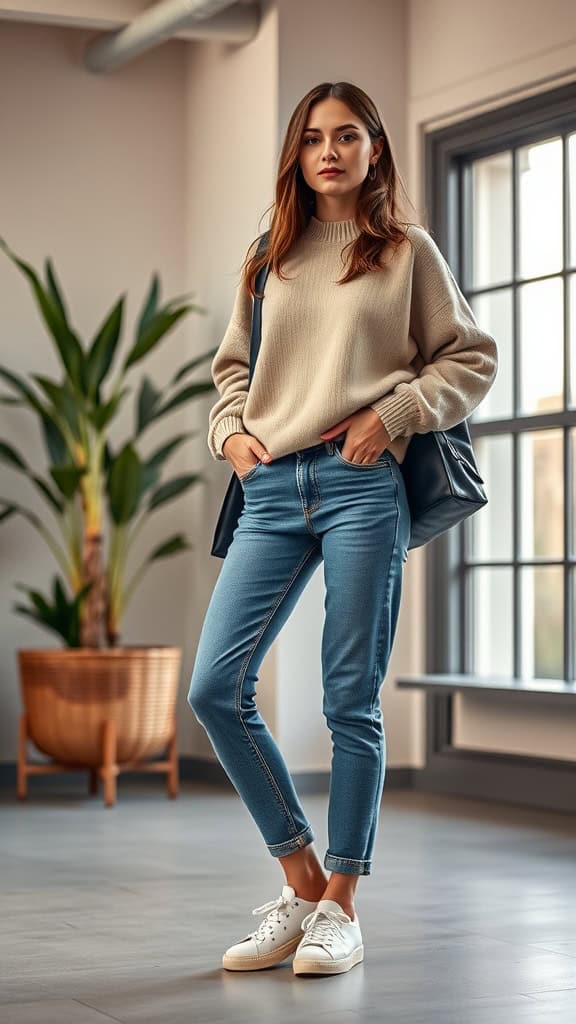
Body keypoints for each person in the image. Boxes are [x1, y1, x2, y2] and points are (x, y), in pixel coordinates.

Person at [187, 81, 498, 976]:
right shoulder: (267, 257)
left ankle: (344, 908)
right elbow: (232, 370)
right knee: (217, 687)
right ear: (297, 152)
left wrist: (395, 413)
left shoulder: (406, 253)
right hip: (273, 488)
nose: (330, 150)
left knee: (348, 699)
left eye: (348, 136)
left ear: (373, 151)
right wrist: (233, 437)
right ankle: (303, 881)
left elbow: (470, 356)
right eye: (315, 137)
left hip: (366, 485)